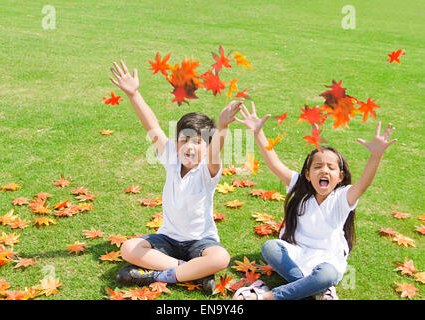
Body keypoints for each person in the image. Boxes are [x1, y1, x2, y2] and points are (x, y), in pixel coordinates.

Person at [232, 101, 397, 300]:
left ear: (340, 177)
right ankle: (318, 290)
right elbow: (274, 163)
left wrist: (376, 156)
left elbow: (363, 184)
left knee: (327, 275)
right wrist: (258, 133)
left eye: (331, 167)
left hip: (326, 259)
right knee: (270, 248)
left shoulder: (342, 197)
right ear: (308, 174)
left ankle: (269, 296)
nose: (324, 170)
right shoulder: (300, 187)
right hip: (296, 253)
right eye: (317, 166)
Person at [109, 60, 243, 294]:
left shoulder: (208, 170)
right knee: (128, 248)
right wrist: (134, 94)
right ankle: (193, 273)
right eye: (184, 139)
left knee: (220, 258)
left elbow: (217, 149)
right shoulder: (171, 157)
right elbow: (151, 125)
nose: (189, 147)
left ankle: (157, 275)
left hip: (200, 242)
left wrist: (222, 126)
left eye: (198, 142)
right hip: (167, 239)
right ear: (176, 141)